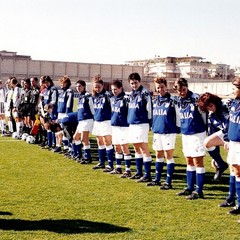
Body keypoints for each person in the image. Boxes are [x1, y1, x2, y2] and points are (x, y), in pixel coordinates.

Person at [174, 78, 207, 200]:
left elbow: (204, 115)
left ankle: (199, 190)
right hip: (185, 133)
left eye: (183, 89)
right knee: (188, 160)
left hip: (197, 133)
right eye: (179, 90)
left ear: (186, 87)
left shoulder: (196, 98)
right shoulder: (178, 100)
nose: (182, 92)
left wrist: (205, 130)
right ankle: (189, 187)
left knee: (198, 161)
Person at [147, 77, 179, 189]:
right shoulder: (155, 101)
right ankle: (157, 179)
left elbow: (178, 116)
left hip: (168, 132)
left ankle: (168, 182)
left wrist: (177, 128)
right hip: (157, 132)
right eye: (158, 87)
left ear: (166, 87)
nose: (160, 89)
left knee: (168, 155)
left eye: (162, 87)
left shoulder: (172, 100)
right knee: (158, 155)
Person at [127, 72, 152, 182]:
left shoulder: (145, 93)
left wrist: (150, 123)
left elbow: (150, 109)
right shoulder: (131, 94)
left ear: (140, 82)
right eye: (132, 83)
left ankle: (147, 174)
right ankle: (139, 172)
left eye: (135, 83)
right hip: (132, 124)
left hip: (142, 124)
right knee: (136, 148)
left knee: (143, 148)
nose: (134, 85)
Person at [197, 92, 229, 180]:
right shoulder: (211, 114)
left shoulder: (225, 107)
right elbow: (212, 133)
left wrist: (227, 140)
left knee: (235, 162)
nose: (210, 109)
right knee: (207, 142)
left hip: (235, 134)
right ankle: (220, 164)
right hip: (226, 133)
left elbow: (229, 125)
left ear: (215, 102)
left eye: (211, 106)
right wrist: (216, 158)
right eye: (207, 108)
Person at [91, 75, 114, 171]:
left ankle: (110, 164)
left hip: (106, 121)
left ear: (103, 85)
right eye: (95, 87)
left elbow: (113, 109)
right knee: (99, 141)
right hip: (97, 121)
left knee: (107, 141)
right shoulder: (95, 96)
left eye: (99, 87)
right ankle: (101, 162)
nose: (97, 89)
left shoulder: (108, 95)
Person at [224, 77, 240, 215]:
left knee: (239, 172)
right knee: (234, 170)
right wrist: (227, 139)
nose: (233, 91)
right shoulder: (233, 104)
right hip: (233, 142)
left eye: (235, 88)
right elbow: (230, 122)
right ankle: (233, 199)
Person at [109, 80, 132, 177]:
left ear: (121, 88)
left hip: (123, 126)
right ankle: (118, 167)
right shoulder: (113, 99)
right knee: (116, 147)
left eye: (115, 89)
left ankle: (128, 170)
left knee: (124, 147)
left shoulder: (126, 98)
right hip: (115, 126)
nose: (114, 91)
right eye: (112, 89)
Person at [72, 80, 94, 163]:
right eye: (77, 86)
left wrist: (93, 117)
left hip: (87, 119)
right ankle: (79, 155)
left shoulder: (87, 96)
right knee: (75, 137)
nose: (78, 88)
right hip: (81, 120)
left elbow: (92, 107)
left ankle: (87, 157)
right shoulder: (80, 96)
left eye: (80, 86)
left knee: (84, 139)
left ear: (84, 86)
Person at [53, 75, 74, 153]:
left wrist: (66, 114)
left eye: (63, 83)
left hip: (65, 113)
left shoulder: (69, 91)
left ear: (67, 83)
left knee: (67, 132)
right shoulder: (61, 92)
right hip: (60, 113)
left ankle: (70, 149)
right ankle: (65, 148)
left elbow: (68, 104)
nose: (61, 85)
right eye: (61, 83)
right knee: (62, 131)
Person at [41, 76, 58, 150]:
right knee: (47, 126)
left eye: (47, 82)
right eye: (45, 83)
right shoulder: (46, 90)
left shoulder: (53, 89)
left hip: (52, 110)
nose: (46, 84)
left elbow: (54, 100)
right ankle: (49, 143)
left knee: (53, 127)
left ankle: (54, 144)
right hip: (46, 111)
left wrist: (49, 105)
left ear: (50, 82)